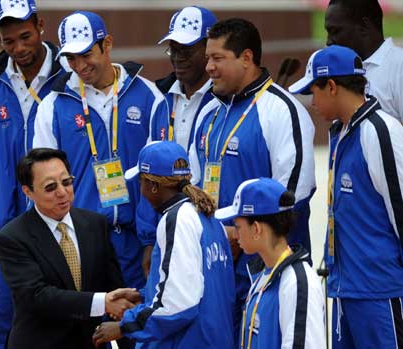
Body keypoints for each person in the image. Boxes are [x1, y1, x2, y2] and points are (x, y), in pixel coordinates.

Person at [188, 18, 316, 344]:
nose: (209, 67)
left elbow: (294, 196)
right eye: (207, 58)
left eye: (218, 58)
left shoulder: (283, 110)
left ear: (246, 58)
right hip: (216, 267)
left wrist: (242, 234)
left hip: (266, 271)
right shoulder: (209, 114)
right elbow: (192, 184)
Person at [33, 11, 169, 291]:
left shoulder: (149, 95)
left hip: (136, 240)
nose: (80, 66)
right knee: (88, 332)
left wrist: (151, 240)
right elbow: (42, 177)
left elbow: (163, 177)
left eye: (86, 54)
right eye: (71, 59)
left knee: (137, 330)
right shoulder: (54, 105)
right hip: (81, 241)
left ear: (106, 44)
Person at [289, 45, 403, 349]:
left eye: (314, 92)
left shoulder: (380, 131)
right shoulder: (340, 132)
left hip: (380, 291)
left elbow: (400, 207)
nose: (312, 103)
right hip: (344, 288)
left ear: (331, 86)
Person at [0, 0, 66, 347]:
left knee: (54, 325)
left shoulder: (67, 72)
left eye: (25, 36)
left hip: (53, 224)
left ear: (41, 25)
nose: (19, 48)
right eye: (8, 41)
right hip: (2, 223)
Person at [92, 141, 235, 349]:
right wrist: (144, 294)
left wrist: (123, 326)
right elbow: (196, 285)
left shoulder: (176, 219)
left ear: (154, 186)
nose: (139, 189)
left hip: (189, 341)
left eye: (141, 181)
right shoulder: (208, 217)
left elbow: (178, 304)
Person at [0, 148, 140, 349]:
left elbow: (112, 289)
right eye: (50, 187)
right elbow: (37, 296)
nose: (62, 192)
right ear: (28, 191)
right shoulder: (12, 238)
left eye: (67, 182)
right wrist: (101, 302)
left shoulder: (95, 224)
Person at [215, 177, 325, 349]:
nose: (235, 236)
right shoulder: (262, 276)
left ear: (257, 229)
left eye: (237, 227)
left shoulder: (297, 284)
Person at [325, 0, 403, 122]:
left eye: (335, 31)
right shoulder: (341, 71)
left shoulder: (399, 66)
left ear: (363, 26)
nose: (328, 42)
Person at [155, 6, 216, 151]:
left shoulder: (224, 100)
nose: (178, 58)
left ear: (209, 48)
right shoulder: (161, 100)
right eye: (174, 50)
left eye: (186, 50)